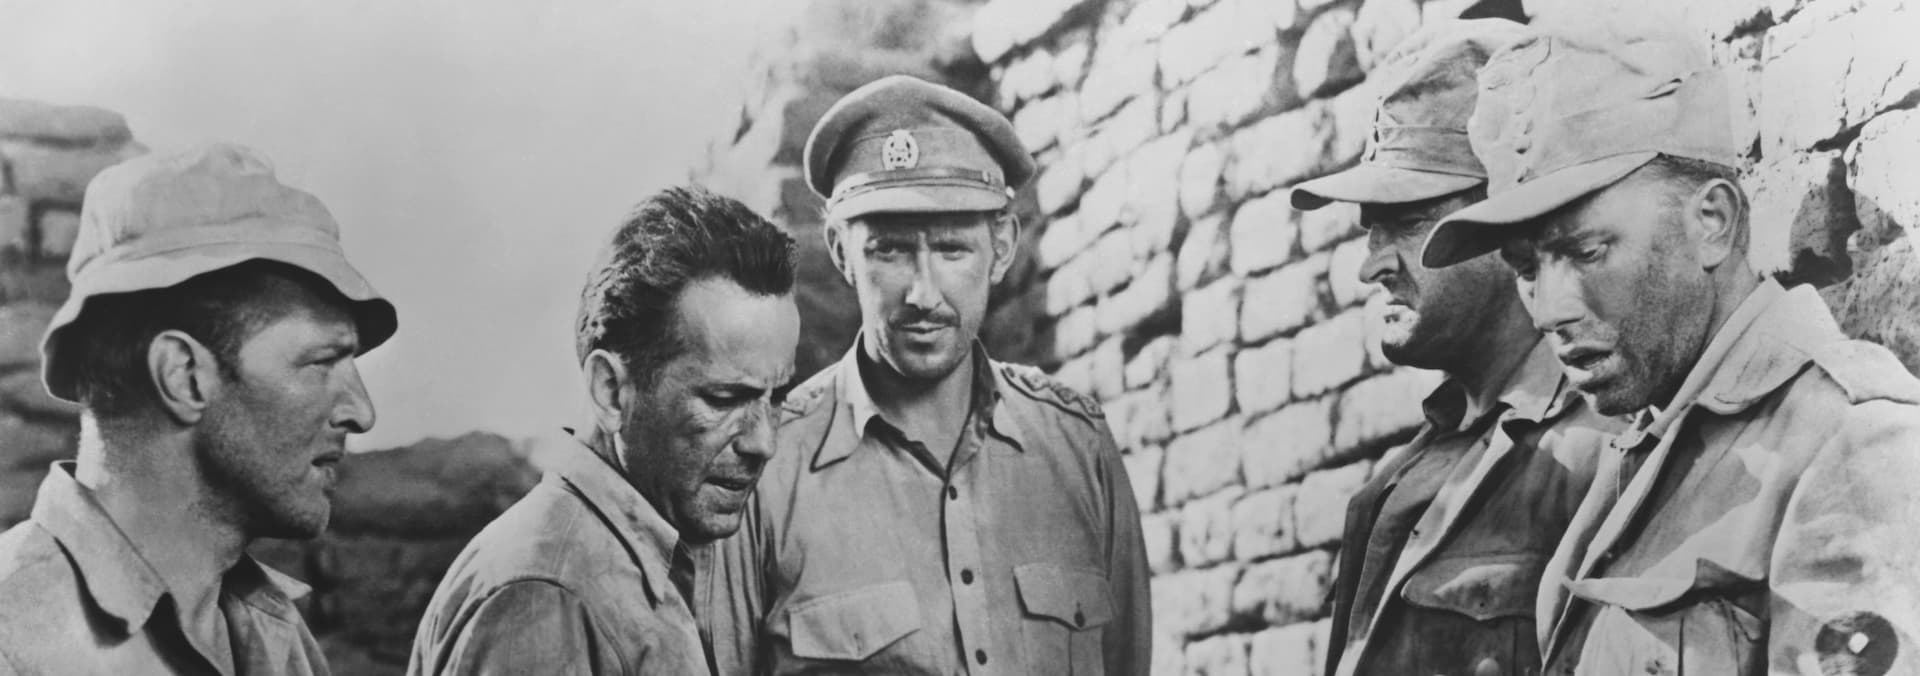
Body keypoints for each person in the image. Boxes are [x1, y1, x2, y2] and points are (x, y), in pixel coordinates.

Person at [1423, 20, 1920, 676]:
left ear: (1712, 222)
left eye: (1586, 251)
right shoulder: (1644, 443)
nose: (1548, 310)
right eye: (1525, 267)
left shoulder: (1850, 444)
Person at [698, 75, 1151, 675]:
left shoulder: (1077, 447)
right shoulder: (767, 470)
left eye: (952, 249)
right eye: (889, 250)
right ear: (841, 251)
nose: (923, 293)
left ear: (1002, 248)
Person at [1289, 20, 1621, 676]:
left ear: (1506, 221)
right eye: (1371, 232)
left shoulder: (1602, 450)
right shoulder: (1404, 473)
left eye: (1408, 223)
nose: (1372, 268)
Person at [0, 144, 398, 675]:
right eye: (321, 362)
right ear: (183, 375)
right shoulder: (13, 638)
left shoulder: (272, 631)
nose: (361, 413)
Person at [405, 186, 799, 675]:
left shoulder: (643, 562)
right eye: (723, 399)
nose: (763, 442)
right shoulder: (547, 595)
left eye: (776, 398)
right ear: (611, 391)